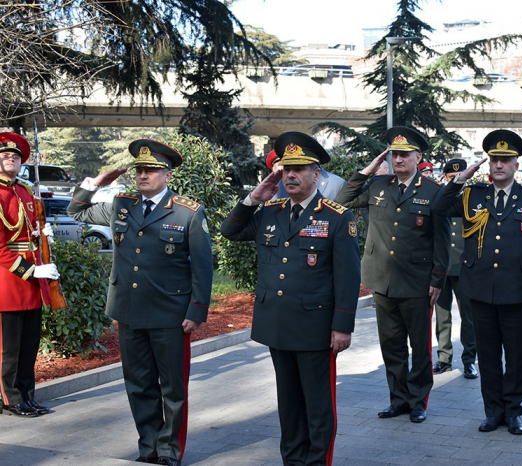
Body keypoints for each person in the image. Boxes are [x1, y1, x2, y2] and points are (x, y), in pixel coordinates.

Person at [68, 140, 213, 466]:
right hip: (129, 310)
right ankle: (148, 446)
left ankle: (169, 450)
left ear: (167, 174)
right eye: (139, 170)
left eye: (150, 170)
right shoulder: (122, 203)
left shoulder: (187, 211)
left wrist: (197, 310)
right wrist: (95, 184)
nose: (142, 175)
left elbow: (203, 265)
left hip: (170, 314)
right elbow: (75, 211)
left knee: (172, 388)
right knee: (138, 384)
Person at [220, 131, 360, 465]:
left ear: (316, 174)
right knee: (289, 403)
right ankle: (292, 460)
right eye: (286, 169)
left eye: (299, 168)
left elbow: (348, 276)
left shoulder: (337, 217)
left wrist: (342, 327)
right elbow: (230, 231)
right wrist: (254, 197)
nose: (291, 175)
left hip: (315, 327)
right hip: (277, 326)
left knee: (317, 404)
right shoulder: (270, 211)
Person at [433, 129, 522, 435]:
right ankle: (493, 411)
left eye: (506, 160)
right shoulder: (473, 195)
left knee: (517, 357)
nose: (499, 165)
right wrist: (461, 178)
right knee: (487, 356)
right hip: (481, 290)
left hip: (519, 292)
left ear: (516, 165)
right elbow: (437, 208)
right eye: (494, 160)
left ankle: (513, 411)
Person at [335, 126, 449, 424]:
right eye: (394, 154)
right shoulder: (377, 185)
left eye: (404, 154)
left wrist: (438, 278)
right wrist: (367, 170)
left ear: (417, 157)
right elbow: (341, 201)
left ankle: (418, 400)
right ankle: (397, 399)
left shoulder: (432, 191)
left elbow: (441, 238)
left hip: (417, 282)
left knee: (419, 347)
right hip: (381, 280)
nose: (398, 159)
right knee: (391, 345)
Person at [0, 132, 59, 417]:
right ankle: (10, 399)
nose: (11, 159)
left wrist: (43, 236)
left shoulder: (23, 191)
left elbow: (31, 232)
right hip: (8, 281)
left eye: (16, 157)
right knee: (8, 349)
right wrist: (31, 269)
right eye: (6, 156)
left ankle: (26, 394)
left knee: (28, 345)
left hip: (33, 282)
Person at [432, 158, 478, 379]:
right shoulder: (440, 197)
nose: (456, 181)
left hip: (465, 268)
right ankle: (443, 359)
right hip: (441, 268)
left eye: (459, 178)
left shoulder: (472, 201)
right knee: (442, 316)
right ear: (445, 177)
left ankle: (469, 359)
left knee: (469, 317)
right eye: (451, 178)